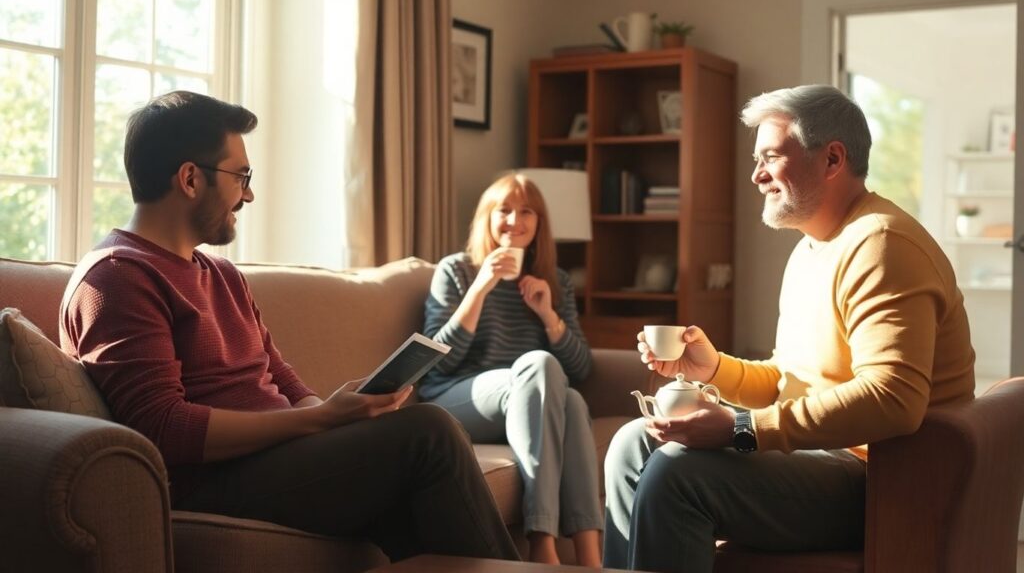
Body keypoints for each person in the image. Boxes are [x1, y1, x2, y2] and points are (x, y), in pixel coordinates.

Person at [59, 90, 519, 563]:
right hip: (214, 480)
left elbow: (279, 375)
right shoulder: (117, 277)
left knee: (418, 470)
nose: (249, 193)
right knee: (429, 432)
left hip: (278, 460)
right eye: (241, 176)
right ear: (191, 179)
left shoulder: (222, 275)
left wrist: (341, 414)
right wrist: (321, 419)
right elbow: (163, 427)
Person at [603, 84, 976, 573]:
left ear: (832, 158)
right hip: (827, 461)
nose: (756, 175)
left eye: (771, 157)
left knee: (678, 474)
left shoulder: (883, 245)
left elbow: (894, 399)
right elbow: (790, 380)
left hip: (885, 480)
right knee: (632, 444)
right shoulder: (812, 248)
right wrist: (713, 368)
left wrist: (740, 429)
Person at [420, 173, 603, 566]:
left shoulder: (556, 282)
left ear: (539, 225)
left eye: (526, 212)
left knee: (570, 398)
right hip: (457, 398)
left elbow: (581, 368)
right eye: (504, 210)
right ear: (487, 217)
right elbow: (436, 361)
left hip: (529, 404)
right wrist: (480, 288)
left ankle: (590, 557)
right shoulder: (456, 271)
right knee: (538, 365)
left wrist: (548, 314)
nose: (514, 220)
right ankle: (542, 539)